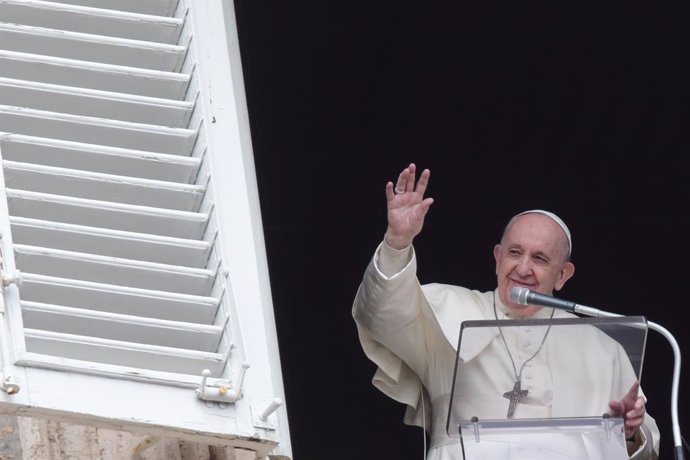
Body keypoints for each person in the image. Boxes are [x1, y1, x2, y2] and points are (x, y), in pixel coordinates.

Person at [352, 163, 660, 459]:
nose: (522, 268)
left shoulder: (602, 349)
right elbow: (380, 313)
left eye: (539, 259)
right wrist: (397, 242)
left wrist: (630, 433)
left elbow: (645, 444)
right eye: (514, 253)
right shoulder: (447, 312)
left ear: (563, 275)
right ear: (498, 258)